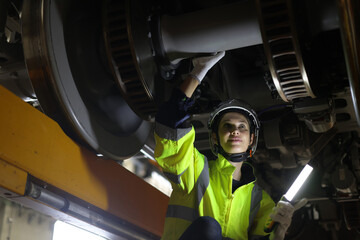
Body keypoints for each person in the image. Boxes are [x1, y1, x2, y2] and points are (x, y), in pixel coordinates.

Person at [154, 52, 306, 240]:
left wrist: (280, 231)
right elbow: (171, 123)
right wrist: (197, 73)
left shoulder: (260, 201)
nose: (235, 131)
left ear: (251, 139)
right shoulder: (194, 171)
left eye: (242, 127)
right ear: (215, 138)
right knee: (208, 227)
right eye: (227, 126)